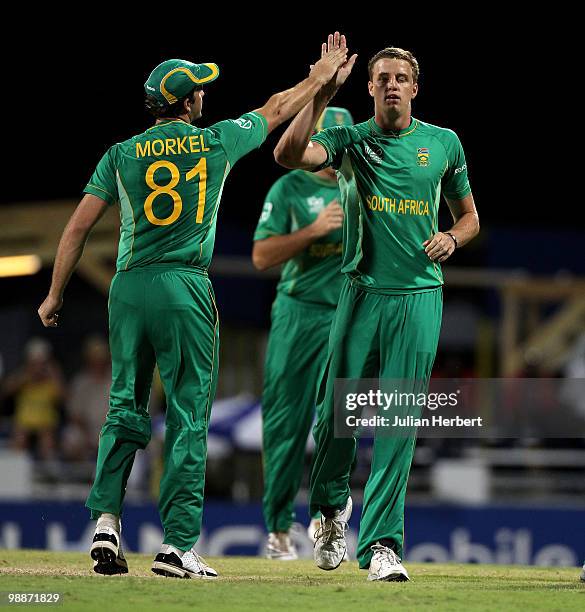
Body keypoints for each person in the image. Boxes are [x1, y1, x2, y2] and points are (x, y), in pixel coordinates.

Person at [38, 41, 351, 578]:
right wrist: (319, 80)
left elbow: (76, 228)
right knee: (187, 415)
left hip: (129, 287)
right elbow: (276, 109)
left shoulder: (120, 154)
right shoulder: (214, 142)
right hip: (184, 287)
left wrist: (55, 293)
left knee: (124, 406)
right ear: (187, 103)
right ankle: (179, 545)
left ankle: (106, 523)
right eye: (199, 88)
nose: (205, 93)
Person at [274, 35, 479, 581]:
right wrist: (319, 91)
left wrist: (453, 240)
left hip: (419, 299)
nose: (391, 85)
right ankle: (329, 513)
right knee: (334, 418)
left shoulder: (444, 144)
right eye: (382, 78)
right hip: (359, 295)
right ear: (368, 87)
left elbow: (470, 218)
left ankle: (383, 546)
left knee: (396, 423)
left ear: (414, 88)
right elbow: (288, 154)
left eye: (400, 78)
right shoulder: (350, 139)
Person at [252, 107, 353, 560]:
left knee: (337, 421)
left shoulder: (364, 189)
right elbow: (260, 257)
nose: (332, 156)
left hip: (347, 316)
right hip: (298, 314)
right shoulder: (289, 187)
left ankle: (325, 518)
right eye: (324, 145)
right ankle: (278, 529)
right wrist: (313, 231)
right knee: (284, 423)